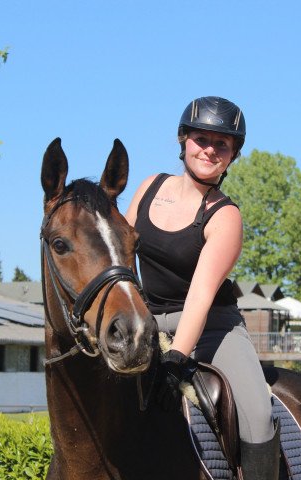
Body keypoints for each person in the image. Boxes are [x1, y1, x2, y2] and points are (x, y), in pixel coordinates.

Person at [125, 96, 279, 479]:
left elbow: (200, 295)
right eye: (201, 139)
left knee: (258, 415)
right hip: (149, 320)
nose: (210, 150)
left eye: (222, 144)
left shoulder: (225, 216)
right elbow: (123, 259)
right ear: (183, 140)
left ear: (232, 156)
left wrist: (177, 358)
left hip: (213, 327)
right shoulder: (149, 186)